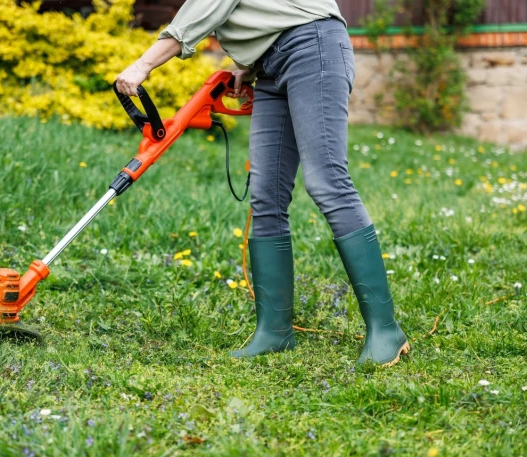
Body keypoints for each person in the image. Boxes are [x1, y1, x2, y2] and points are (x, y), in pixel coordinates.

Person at [116, 0, 410, 366]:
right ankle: (274, 331)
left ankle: (385, 329)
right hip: (269, 68)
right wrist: (246, 64)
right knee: (266, 194)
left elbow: (206, 9)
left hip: (312, 46)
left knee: (327, 182)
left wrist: (144, 63)